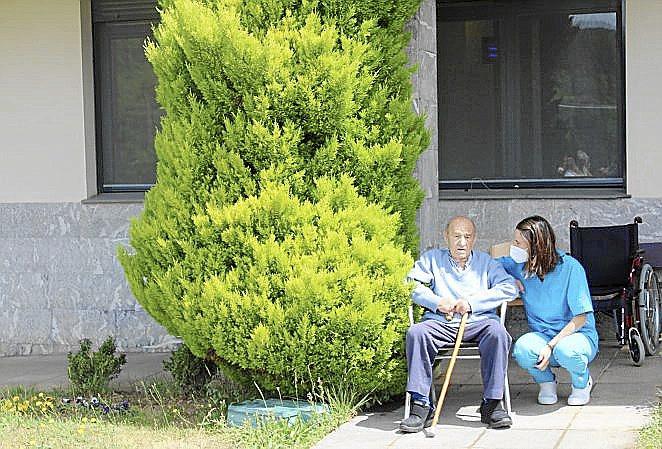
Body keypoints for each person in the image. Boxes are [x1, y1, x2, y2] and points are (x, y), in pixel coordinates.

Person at [400, 216, 518, 433]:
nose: (461, 242)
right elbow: (411, 284)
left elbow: (510, 288)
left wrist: (472, 303)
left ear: (474, 239)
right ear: (446, 237)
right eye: (456, 236)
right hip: (441, 323)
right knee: (417, 332)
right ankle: (421, 404)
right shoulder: (432, 259)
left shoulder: (486, 263)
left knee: (498, 333)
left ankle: (492, 403)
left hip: (479, 322)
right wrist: (437, 302)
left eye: (467, 236)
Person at [502, 216, 599, 406]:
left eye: (518, 243)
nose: (514, 247)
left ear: (536, 245)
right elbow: (488, 265)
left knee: (567, 351)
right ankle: (546, 383)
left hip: (577, 336)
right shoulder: (519, 266)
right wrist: (506, 279)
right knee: (522, 349)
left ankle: (581, 383)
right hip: (542, 336)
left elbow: (580, 318)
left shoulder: (571, 268)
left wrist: (551, 346)